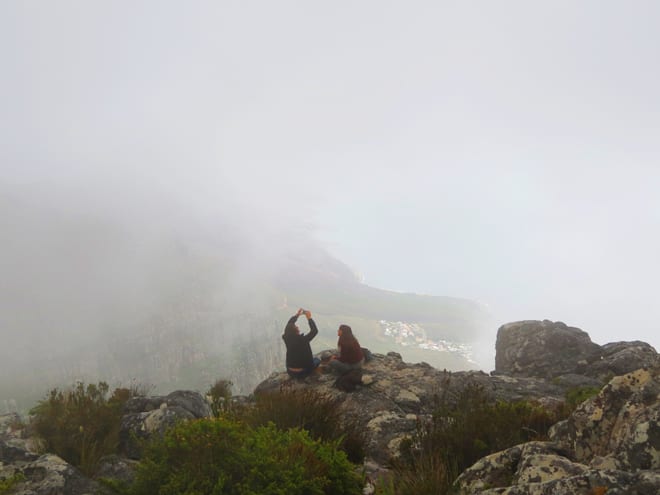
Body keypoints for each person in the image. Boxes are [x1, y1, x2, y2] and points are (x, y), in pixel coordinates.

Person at [282, 308, 320, 378]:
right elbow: (314, 331)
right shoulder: (303, 339)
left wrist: (297, 315)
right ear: (296, 331)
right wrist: (309, 318)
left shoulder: (286, 338)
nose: (297, 326)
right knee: (317, 359)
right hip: (304, 372)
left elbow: (288, 326)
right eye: (296, 327)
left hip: (290, 371)